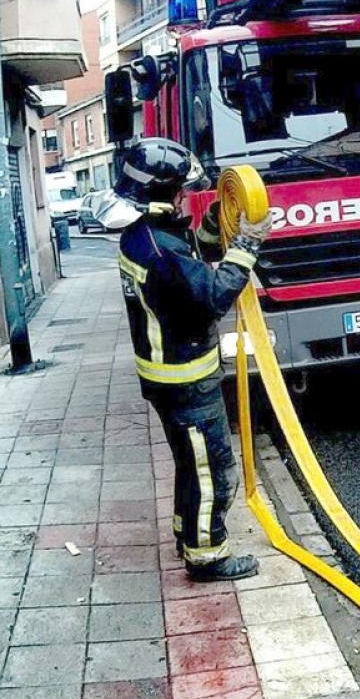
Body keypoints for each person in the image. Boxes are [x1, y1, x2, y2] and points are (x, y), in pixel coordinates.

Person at [114, 138, 274, 582]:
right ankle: (207, 556)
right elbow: (209, 296)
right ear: (166, 192)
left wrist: (213, 221)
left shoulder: (143, 238)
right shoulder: (162, 252)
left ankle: (188, 531)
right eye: (182, 190)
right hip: (187, 383)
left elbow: (194, 261)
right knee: (212, 470)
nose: (186, 195)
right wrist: (247, 245)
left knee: (189, 460)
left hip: (166, 380)